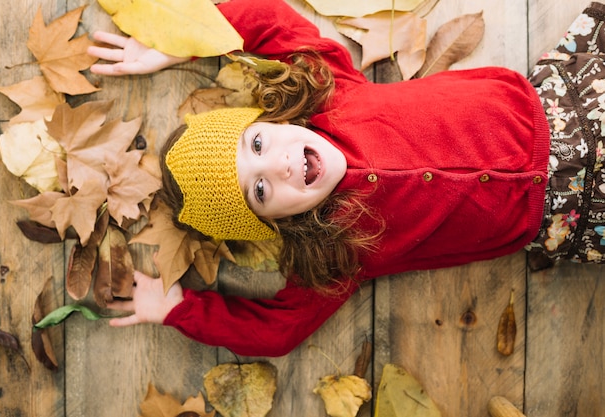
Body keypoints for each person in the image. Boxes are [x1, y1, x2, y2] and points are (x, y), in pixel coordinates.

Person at [87, 0, 605, 357]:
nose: (279, 165)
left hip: (566, 106)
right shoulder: (339, 254)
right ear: (275, 224)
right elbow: (277, 332)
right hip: (571, 215)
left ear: (273, 120)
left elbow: (264, 17)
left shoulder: (330, 92)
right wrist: (177, 307)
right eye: (260, 190)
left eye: (258, 144)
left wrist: (183, 42)